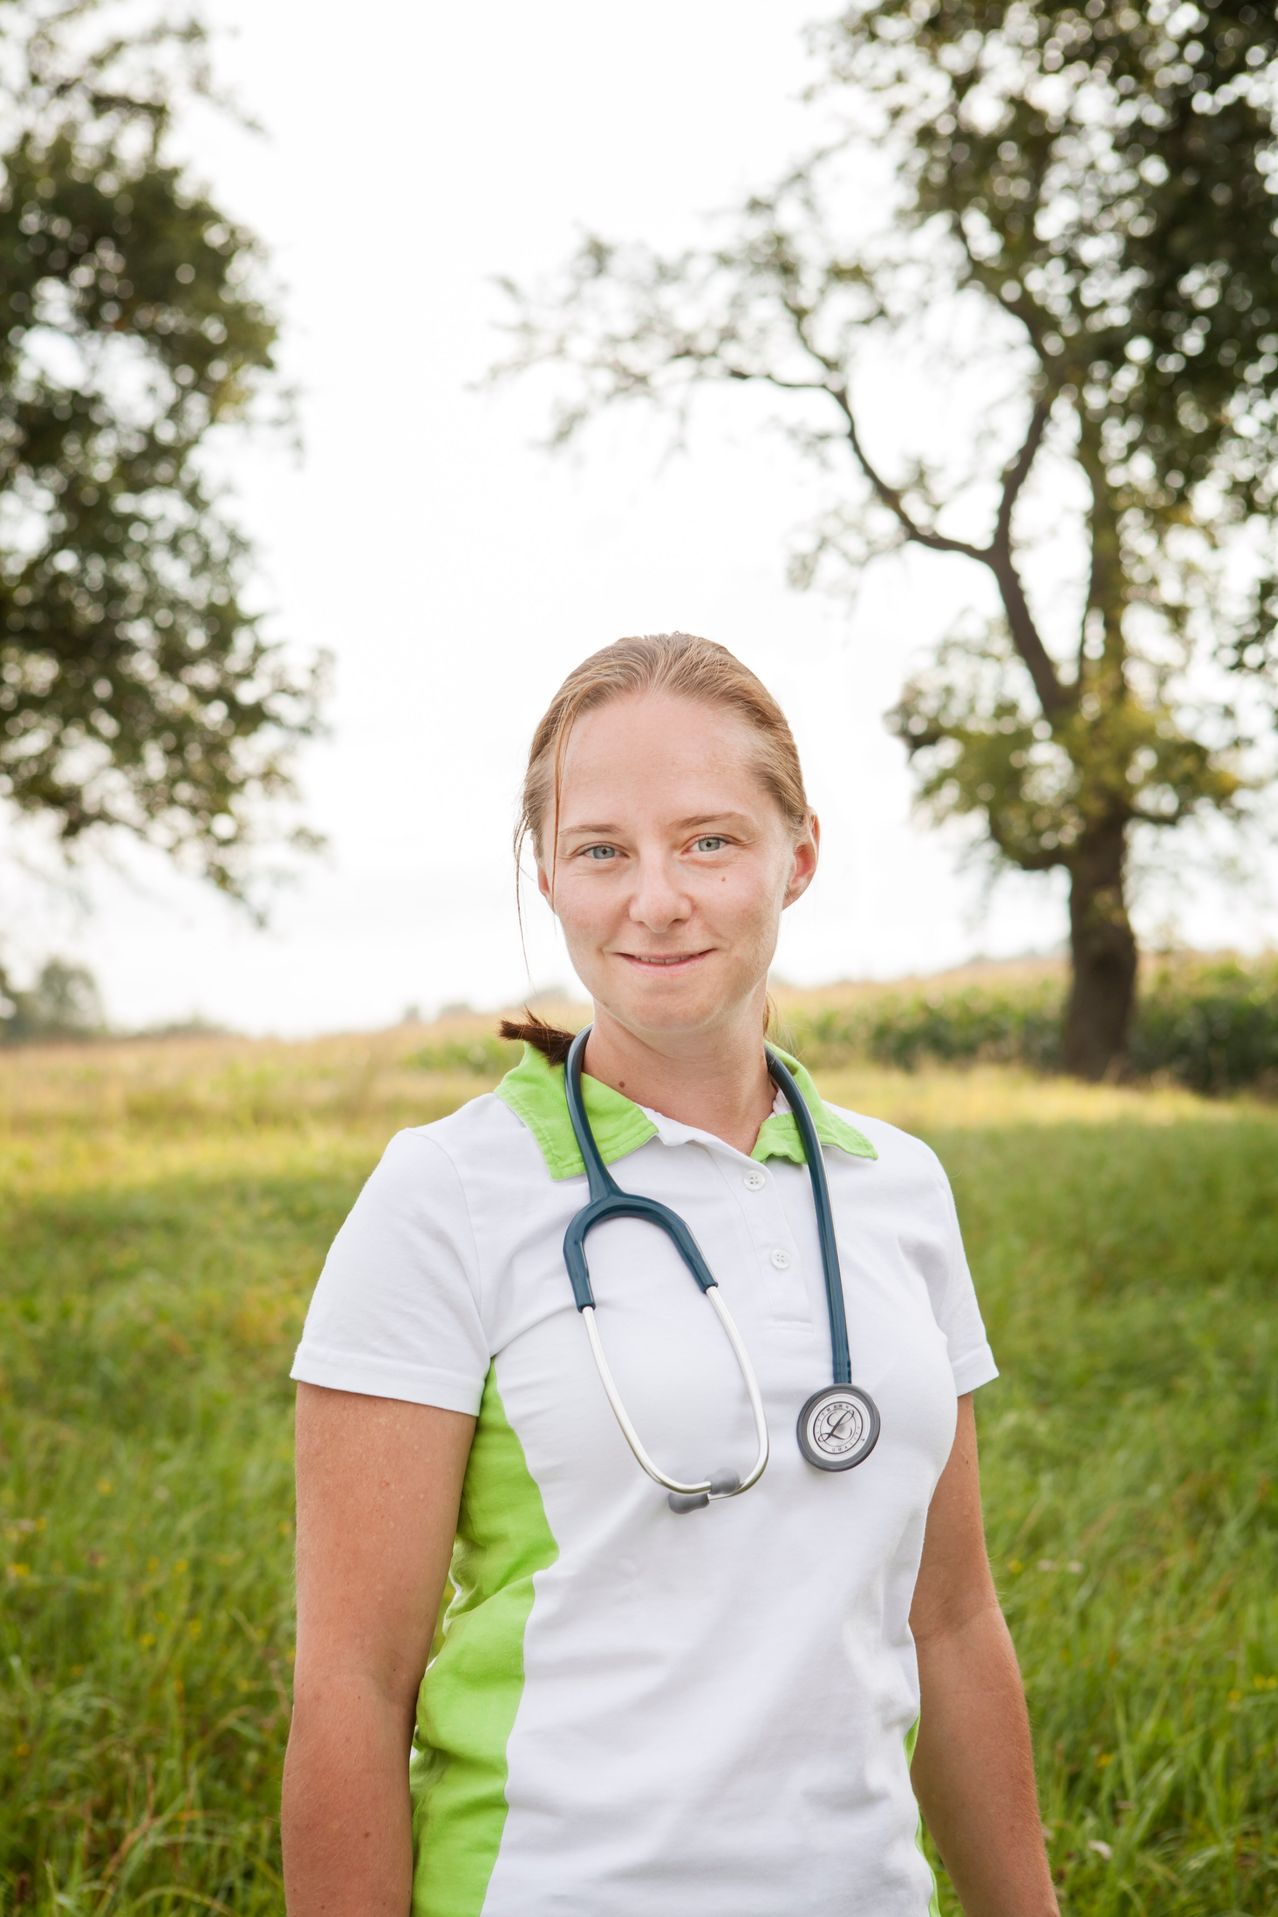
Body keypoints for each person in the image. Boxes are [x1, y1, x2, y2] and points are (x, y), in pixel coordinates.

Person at [280, 632, 1062, 1917]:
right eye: (602, 850)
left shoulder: (900, 1191)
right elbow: (353, 1689)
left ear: (798, 853)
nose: (655, 897)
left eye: (708, 839)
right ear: (548, 873)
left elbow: (954, 1626)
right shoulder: (444, 1196)